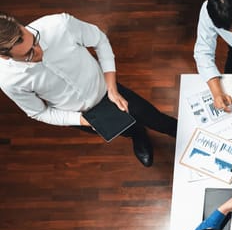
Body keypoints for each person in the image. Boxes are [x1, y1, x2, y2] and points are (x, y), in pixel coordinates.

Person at [0, 12, 177, 167]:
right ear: (4, 57)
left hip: (109, 90)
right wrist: (82, 120)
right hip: (81, 115)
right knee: (127, 130)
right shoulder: (9, 80)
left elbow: (99, 40)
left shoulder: (60, 25)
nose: (39, 51)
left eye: (35, 41)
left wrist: (112, 88)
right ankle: (139, 136)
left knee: (156, 119)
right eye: (28, 54)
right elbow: (39, 112)